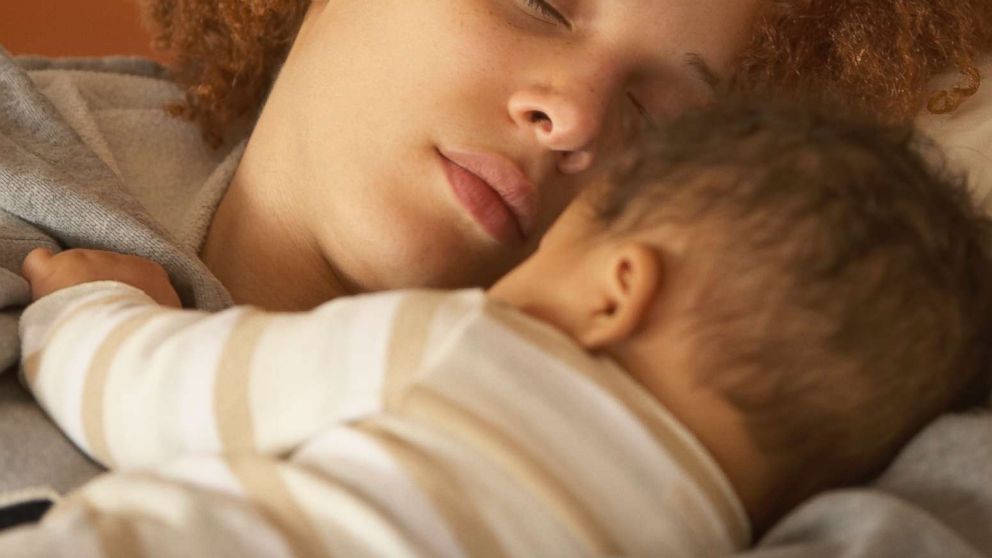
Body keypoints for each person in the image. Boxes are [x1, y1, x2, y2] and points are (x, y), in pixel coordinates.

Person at [0, 0, 991, 554]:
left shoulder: (840, 425)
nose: (578, 119)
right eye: (540, 1)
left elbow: (140, 378)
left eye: (661, 123)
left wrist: (86, 308)